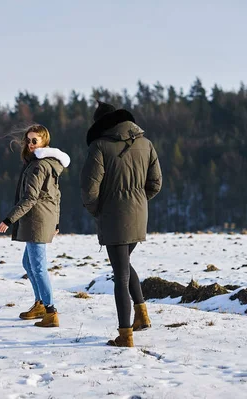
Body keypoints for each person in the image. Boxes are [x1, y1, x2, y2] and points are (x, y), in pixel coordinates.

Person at [80, 101, 162, 347]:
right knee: (124, 264)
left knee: (120, 274)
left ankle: (125, 335)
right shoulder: (146, 144)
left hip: (113, 216)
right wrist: (137, 201)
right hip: (139, 215)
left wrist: (98, 210)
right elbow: (155, 184)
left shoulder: (100, 147)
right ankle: (142, 315)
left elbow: (88, 189)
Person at [0, 124, 70, 328]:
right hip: (41, 219)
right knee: (28, 264)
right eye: (28, 140)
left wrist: (8, 219)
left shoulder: (39, 166)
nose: (30, 144)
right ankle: (39, 304)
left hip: (37, 220)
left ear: (44, 142)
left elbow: (30, 199)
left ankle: (50, 311)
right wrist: (56, 221)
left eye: (34, 141)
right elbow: (56, 196)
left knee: (37, 267)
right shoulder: (45, 164)